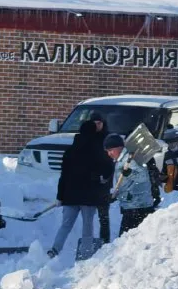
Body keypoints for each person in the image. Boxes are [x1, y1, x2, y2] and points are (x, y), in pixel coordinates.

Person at [47, 120, 113, 261]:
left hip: (70, 195)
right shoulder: (97, 150)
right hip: (89, 196)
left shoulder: (70, 151)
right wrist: (102, 178)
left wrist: (60, 196)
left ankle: (54, 250)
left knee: (66, 225)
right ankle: (86, 254)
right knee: (87, 227)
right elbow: (109, 167)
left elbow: (63, 176)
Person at [104, 133, 159, 237]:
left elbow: (143, 178)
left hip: (139, 207)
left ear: (119, 147)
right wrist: (115, 196)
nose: (109, 154)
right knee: (128, 242)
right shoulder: (122, 161)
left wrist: (130, 173)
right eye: (107, 151)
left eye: (111, 150)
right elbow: (127, 185)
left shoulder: (131, 159)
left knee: (127, 242)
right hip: (131, 206)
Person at [89, 112, 113, 245]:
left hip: (103, 183)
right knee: (87, 217)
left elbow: (111, 162)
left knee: (103, 216)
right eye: (94, 124)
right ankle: (88, 241)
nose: (97, 126)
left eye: (99, 123)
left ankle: (105, 242)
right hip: (89, 183)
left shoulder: (108, 139)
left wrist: (106, 177)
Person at [160, 127, 178, 193]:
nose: (172, 145)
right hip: (174, 191)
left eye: (174, 142)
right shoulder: (166, 156)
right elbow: (164, 174)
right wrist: (162, 178)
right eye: (169, 143)